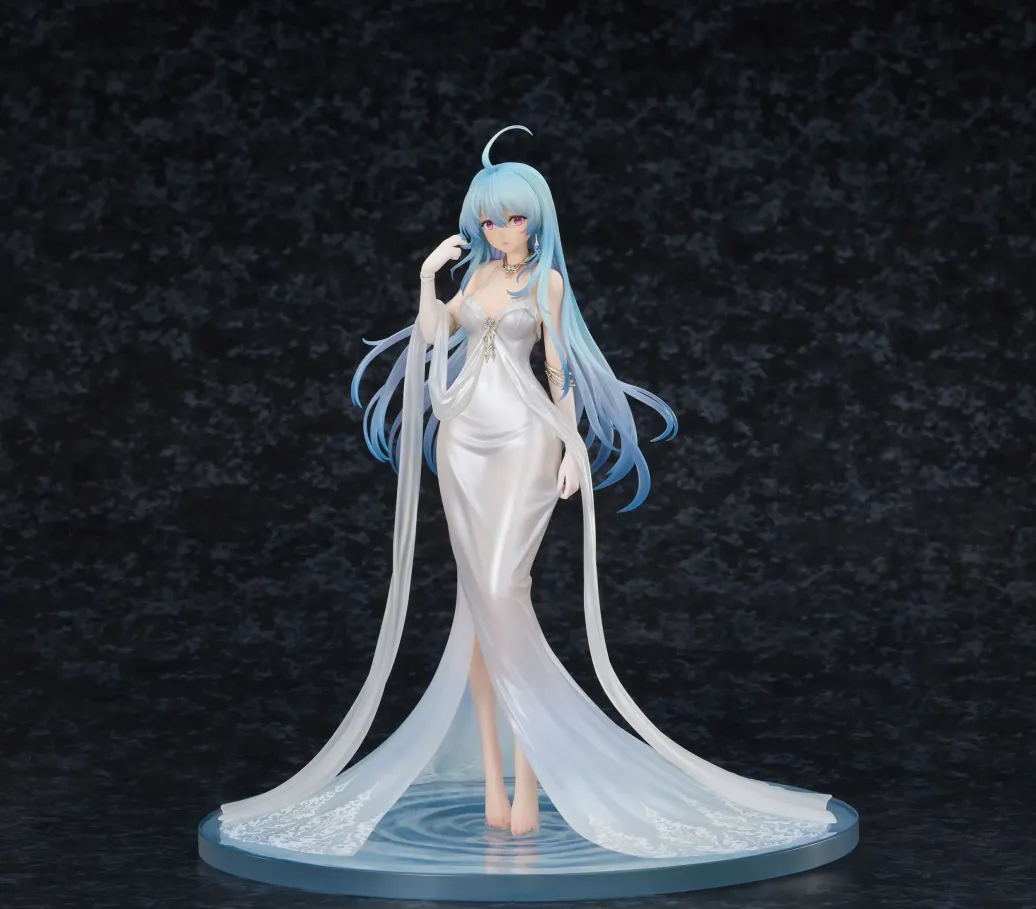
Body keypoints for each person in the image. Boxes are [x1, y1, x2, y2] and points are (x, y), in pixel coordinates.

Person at [217, 125, 836, 859]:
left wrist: (571, 445)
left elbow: (559, 368)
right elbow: (430, 336)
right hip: (462, 443)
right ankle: (495, 778)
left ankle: (535, 774)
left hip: (524, 440)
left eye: (513, 217)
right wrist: (426, 279)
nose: (501, 230)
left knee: (504, 589)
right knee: (478, 606)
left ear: (535, 220)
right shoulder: (474, 279)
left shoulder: (546, 283)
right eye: (489, 219)